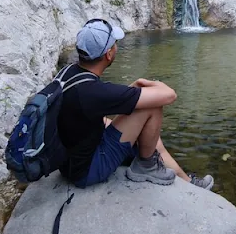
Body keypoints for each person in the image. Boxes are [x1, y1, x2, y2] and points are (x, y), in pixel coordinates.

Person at [58, 18, 214, 190]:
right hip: (88, 170)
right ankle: (147, 167)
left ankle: (185, 180)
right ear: (108, 54)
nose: (117, 46)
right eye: (115, 43)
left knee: (148, 136)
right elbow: (169, 95)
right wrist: (146, 82)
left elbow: (83, 113)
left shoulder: (70, 73)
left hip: (71, 160)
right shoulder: (94, 92)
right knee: (152, 107)